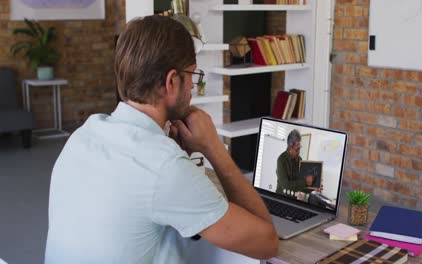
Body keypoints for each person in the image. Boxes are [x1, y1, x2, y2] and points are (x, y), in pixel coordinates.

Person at [45, 15, 278, 264]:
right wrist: (213, 148)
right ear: (171, 82)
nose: (192, 87)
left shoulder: (83, 134)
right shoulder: (164, 167)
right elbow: (267, 243)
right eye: (192, 75)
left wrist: (174, 157)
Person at [276, 130, 323, 195]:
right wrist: (305, 181)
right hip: (281, 198)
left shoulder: (300, 160)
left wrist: (313, 188)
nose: (299, 151)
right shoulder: (281, 159)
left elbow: (300, 186)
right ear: (290, 148)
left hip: (293, 199)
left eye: (300, 147)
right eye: (297, 148)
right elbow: (286, 185)